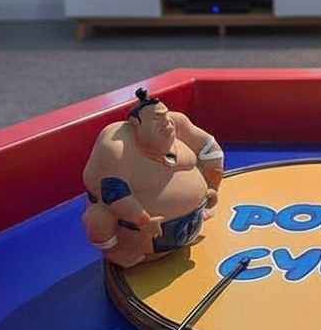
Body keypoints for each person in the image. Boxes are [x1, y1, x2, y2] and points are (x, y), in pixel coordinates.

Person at [82, 88, 224, 268]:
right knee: (98, 218)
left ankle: (192, 220)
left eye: (165, 115)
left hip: (190, 220)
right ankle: (114, 252)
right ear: (136, 124)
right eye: (157, 118)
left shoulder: (178, 124)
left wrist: (213, 186)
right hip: (139, 235)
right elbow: (112, 191)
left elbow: (211, 150)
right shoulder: (117, 146)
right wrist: (142, 220)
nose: (166, 122)